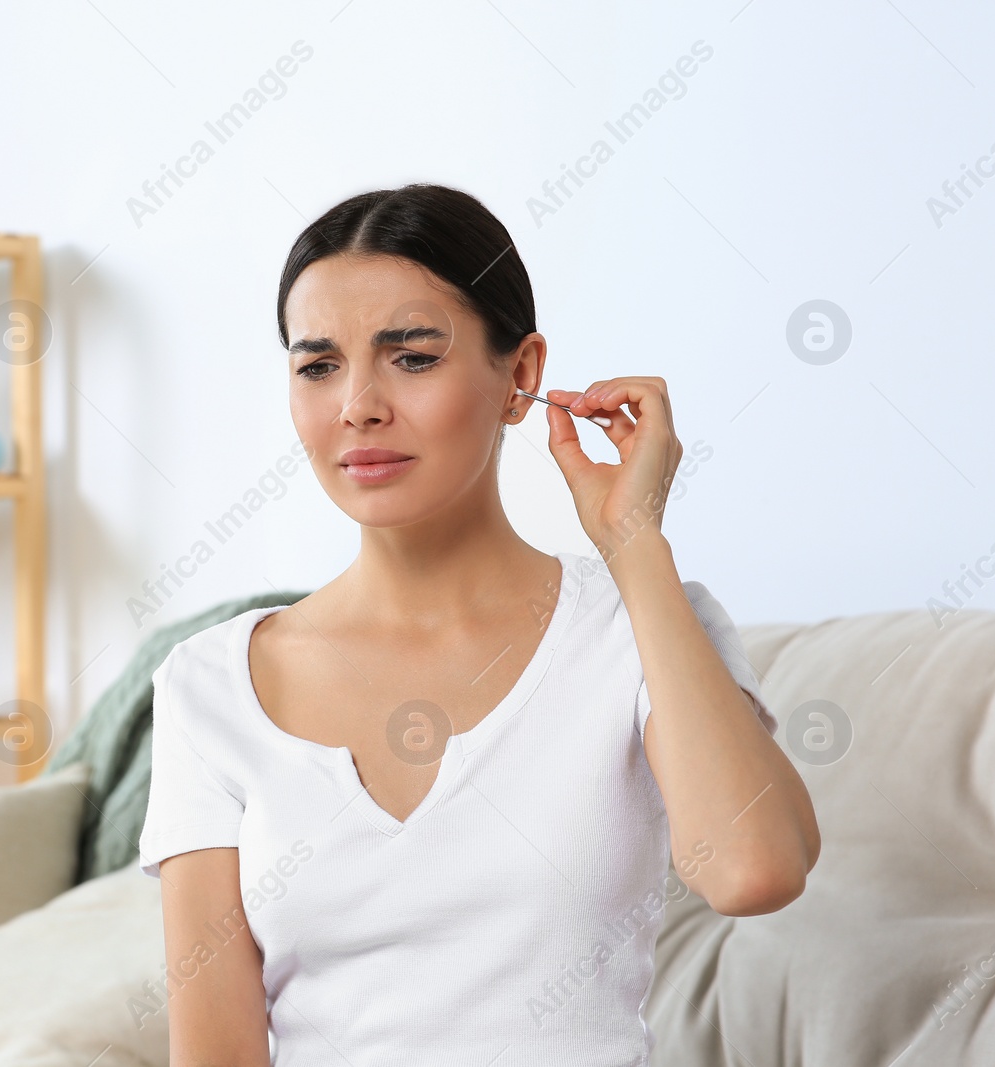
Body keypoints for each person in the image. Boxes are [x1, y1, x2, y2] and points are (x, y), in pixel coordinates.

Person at [137, 183, 820, 1065]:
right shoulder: (210, 684)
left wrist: (634, 541)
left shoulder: (643, 626)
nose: (358, 405)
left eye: (412, 357)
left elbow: (753, 869)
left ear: (521, 374)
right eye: (318, 366)